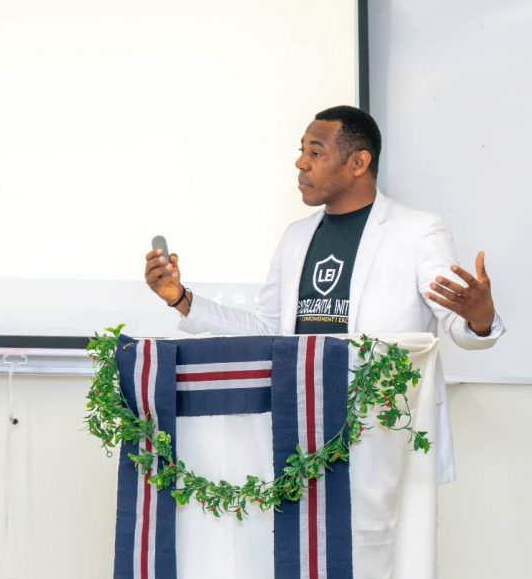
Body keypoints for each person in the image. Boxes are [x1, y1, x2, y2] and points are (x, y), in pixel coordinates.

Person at [143, 104, 504, 483]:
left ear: (358, 162)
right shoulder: (296, 237)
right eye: (301, 151)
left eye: (315, 152)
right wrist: (180, 299)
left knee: (376, 544)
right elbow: (266, 328)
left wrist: (479, 318)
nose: (301, 163)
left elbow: (458, 323)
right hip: (300, 432)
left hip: (381, 441)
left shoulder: (418, 232)